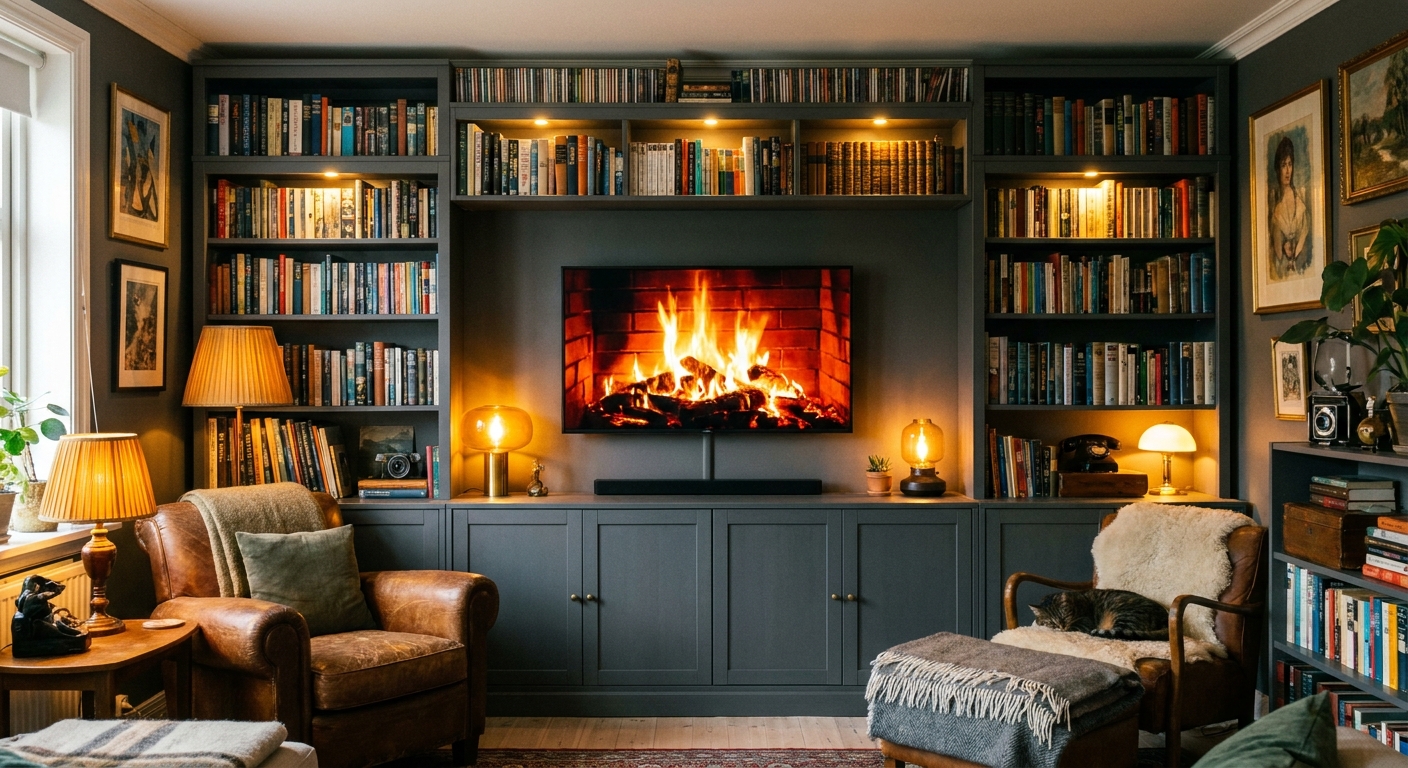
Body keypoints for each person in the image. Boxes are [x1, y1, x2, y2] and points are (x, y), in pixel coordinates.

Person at [1268, 135, 1310, 279]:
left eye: (1290, 164)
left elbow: (1304, 232)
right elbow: (1277, 249)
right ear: (1277, 168)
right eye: (1283, 165)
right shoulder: (1274, 205)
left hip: (1300, 265)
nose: (1287, 171)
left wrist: (1297, 253)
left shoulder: (1300, 198)